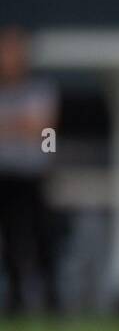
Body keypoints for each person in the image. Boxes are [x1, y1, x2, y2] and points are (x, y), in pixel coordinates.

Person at [0, 27, 59, 316]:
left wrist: (14, 127)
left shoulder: (40, 89)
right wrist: (21, 125)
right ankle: (15, 300)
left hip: (32, 175)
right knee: (9, 241)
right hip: (5, 175)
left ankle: (51, 299)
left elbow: (43, 129)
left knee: (40, 237)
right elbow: (29, 125)